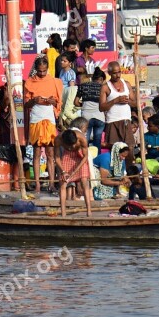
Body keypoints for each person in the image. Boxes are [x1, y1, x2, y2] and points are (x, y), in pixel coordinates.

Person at [24, 57, 63, 192]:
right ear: (36, 69)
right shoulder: (30, 82)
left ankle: (51, 184)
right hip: (36, 117)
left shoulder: (54, 81)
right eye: (40, 71)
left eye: (44, 71)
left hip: (49, 117)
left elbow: (58, 103)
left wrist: (53, 102)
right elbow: (26, 104)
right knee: (36, 151)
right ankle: (38, 185)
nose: (42, 73)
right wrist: (34, 100)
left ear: (48, 69)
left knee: (50, 152)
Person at [56, 129, 92, 217]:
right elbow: (57, 158)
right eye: (69, 146)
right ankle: (63, 213)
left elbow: (85, 157)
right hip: (67, 156)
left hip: (80, 157)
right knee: (63, 184)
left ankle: (89, 211)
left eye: (74, 144)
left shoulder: (82, 138)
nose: (72, 147)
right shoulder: (58, 139)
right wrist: (63, 172)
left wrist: (75, 170)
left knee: (84, 182)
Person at [99, 61, 135, 148]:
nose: (118, 75)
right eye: (115, 73)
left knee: (129, 148)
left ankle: (129, 162)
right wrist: (115, 100)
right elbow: (101, 107)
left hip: (126, 120)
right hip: (112, 121)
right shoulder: (105, 87)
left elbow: (135, 103)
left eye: (119, 72)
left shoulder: (127, 84)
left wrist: (127, 101)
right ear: (109, 73)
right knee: (115, 148)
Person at [74, 67, 106, 151]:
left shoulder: (83, 86)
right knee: (97, 141)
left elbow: (76, 102)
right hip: (100, 117)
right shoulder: (103, 88)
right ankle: (96, 160)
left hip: (86, 117)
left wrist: (84, 105)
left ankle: (86, 160)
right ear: (101, 79)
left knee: (85, 141)